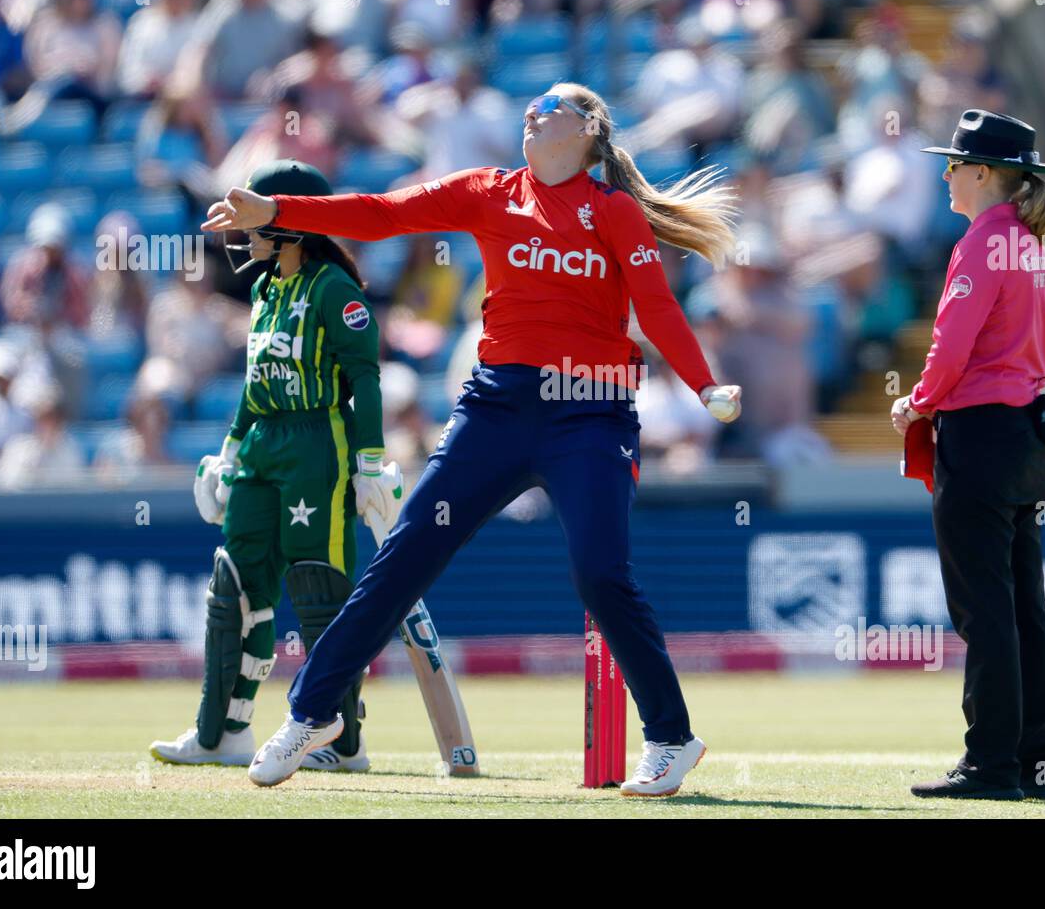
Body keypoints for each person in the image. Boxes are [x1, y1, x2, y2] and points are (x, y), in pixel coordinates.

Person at [202, 82, 744, 797]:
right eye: (529, 105)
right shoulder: (487, 191)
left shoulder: (612, 212)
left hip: (591, 407)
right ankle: (312, 712)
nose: (532, 111)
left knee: (601, 573)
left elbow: (657, 306)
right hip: (496, 407)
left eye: (549, 106)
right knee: (405, 556)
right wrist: (279, 213)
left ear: (586, 129)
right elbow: (381, 214)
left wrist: (704, 385)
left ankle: (671, 738)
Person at [150, 160, 404, 772]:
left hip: (318, 444)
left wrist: (370, 462)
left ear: (292, 222)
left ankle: (341, 741)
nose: (243, 231)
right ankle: (222, 732)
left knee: (318, 586)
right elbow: (255, 380)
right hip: (262, 444)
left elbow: (364, 380)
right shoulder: (265, 289)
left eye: (256, 216)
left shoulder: (334, 290)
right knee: (233, 585)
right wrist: (230, 450)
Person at [890, 109, 1045, 802]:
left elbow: (953, 346)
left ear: (984, 174)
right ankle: (1033, 763)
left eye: (956, 164)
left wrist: (919, 401)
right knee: (1024, 606)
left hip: (982, 434)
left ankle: (990, 762)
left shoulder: (984, 242)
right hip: (1027, 436)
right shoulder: (1027, 242)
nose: (946, 173)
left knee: (983, 608)